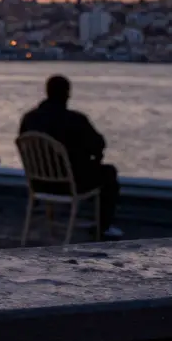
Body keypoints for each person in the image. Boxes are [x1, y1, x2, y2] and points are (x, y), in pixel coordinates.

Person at [19, 75, 121, 238]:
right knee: (109, 172)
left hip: (38, 184)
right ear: (67, 94)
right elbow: (99, 144)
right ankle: (103, 226)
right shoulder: (75, 120)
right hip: (69, 185)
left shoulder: (29, 119)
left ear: (47, 92)